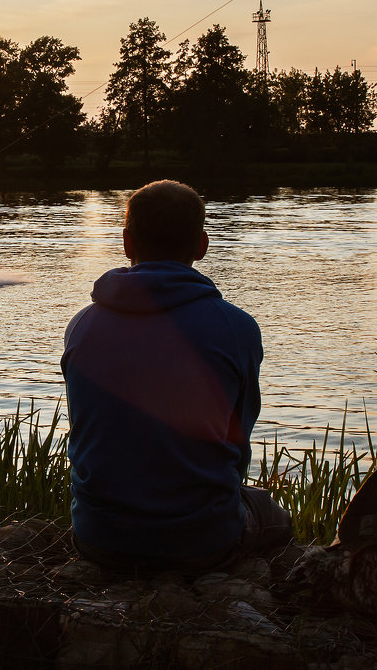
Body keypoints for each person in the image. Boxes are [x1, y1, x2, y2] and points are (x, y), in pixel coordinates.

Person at [61, 180, 292, 574]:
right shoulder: (237, 328)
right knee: (276, 517)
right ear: (201, 245)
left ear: (127, 243)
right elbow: (238, 442)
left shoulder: (82, 325)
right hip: (203, 542)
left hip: (99, 537)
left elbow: (89, 431)